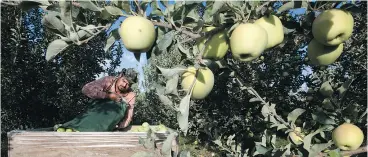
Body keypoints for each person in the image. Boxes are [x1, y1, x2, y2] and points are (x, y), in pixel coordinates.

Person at [55, 68, 138, 132]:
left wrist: (119, 126)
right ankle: (71, 126)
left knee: (121, 105)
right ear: (120, 75)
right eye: (124, 81)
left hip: (108, 122)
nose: (124, 85)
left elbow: (128, 116)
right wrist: (108, 96)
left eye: (128, 84)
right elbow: (86, 89)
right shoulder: (108, 81)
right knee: (84, 121)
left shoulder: (131, 95)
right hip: (95, 111)